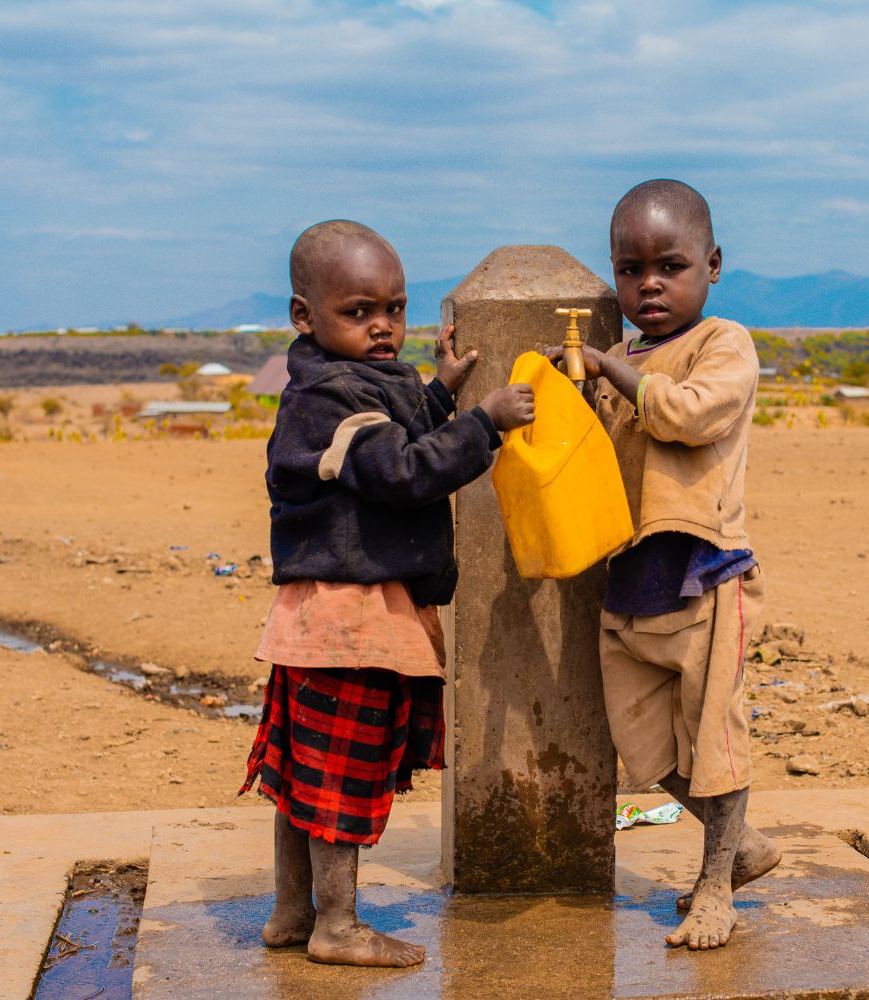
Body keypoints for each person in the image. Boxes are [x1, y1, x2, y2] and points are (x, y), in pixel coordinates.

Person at [242, 219, 534, 968]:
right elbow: (401, 471)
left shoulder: (340, 383)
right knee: (339, 776)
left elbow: (392, 442)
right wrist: (485, 423)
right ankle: (336, 927)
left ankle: (289, 912)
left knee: (302, 773)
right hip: (351, 620)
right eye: (360, 311)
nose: (383, 328)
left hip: (328, 616)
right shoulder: (327, 397)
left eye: (395, 310)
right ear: (304, 316)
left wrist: (441, 392)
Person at [548, 179, 779, 951]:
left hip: (705, 573)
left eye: (670, 265)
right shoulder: (615, 359)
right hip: (631, 576)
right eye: (630, 268)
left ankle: (716, 889)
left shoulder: (724, 344)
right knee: (644, 745)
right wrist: (563, 390)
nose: (648, 283)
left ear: (711, 266)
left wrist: (610, 374)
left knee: (714, 735)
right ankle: (739, 844)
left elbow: (686, 414)